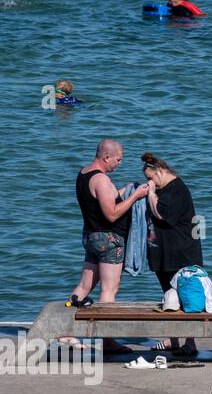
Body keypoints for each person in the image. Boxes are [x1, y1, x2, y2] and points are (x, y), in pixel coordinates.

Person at [66, 140, 150, 352]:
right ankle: (107, 341)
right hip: (109, 241)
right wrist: (136, 197)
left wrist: (126, 190)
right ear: (106, 157)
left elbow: (103, 200)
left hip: (91, 237)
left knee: (84, 286)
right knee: (109, 291)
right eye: (118, 159)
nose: (120, 163)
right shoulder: (101, 180)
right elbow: (111, 214)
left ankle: (66, 332)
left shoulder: (84, 173)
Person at [142, 153, 203, 358]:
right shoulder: (166, 189)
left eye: (150, 178)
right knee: (170, 297)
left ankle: (190, 342)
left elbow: (161, 214)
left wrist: (151, 194)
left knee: (183, 299)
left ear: (160, 172)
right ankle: (175, 338)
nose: (150, 183)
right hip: (164, 253)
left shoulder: (176, 190)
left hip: (181, 254)